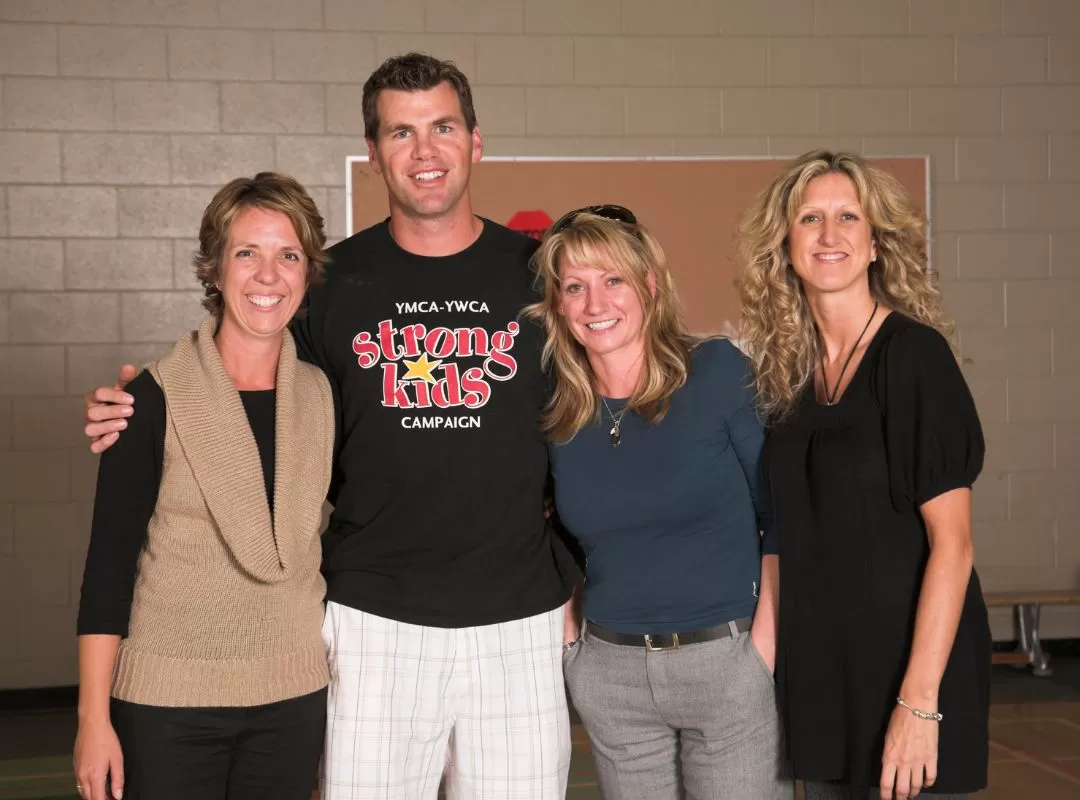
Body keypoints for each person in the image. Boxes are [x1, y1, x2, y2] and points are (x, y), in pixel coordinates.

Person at [82, 53, 580, 800]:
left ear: (476, 141)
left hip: (517, 618)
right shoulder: (329, 284)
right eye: (400, 133)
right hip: (372, 618)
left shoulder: (540, 272)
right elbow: (242, 373)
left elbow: (609, 393)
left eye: (442, 127)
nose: (424, 150)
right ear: (375, 154)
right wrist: (139, 399)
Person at [738, 150, 990, 800]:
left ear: (875, 242)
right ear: (785, 244)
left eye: (848, 217)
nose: (829, 235)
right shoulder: (785, 378)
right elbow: (782, 540)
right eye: (810, 218)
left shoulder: (913, 358)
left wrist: (918, 705)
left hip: (911, 682)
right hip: (820, 685)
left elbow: (954, 545)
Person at [73, 172, 333, 800]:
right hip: (168, 708)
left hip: (293, 700)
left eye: (288, 255)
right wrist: (91, 719)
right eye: (247, 253)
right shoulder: (150, 400)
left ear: (306, 272)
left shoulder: (323, 396)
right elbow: (108, 569)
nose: (268, 275)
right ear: (215, 270)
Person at [526, 205, 791, 799]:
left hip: (725, 664)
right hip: (610, 673)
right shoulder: (559, 414)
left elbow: (781, 517)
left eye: (613, 280)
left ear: (649, 284)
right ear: (558, 305)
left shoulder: (718, 371)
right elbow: (553, 535)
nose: (596, 304)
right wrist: (574, 647)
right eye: (576, 287)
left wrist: (762, 653)